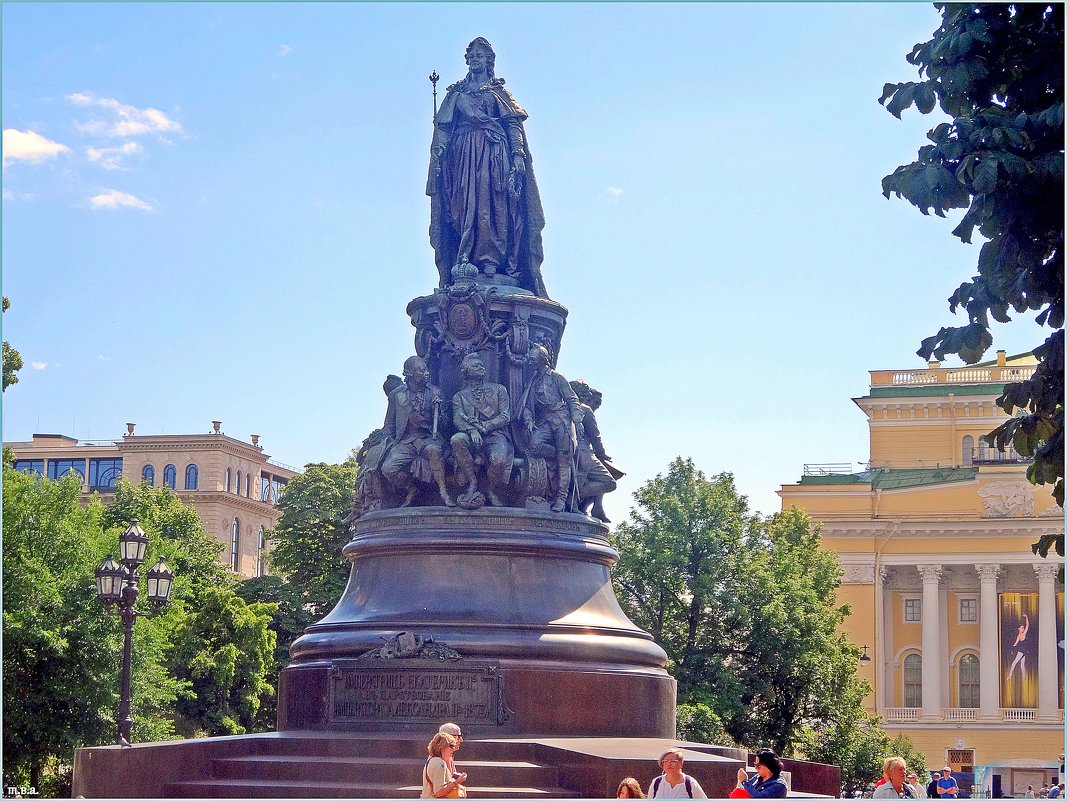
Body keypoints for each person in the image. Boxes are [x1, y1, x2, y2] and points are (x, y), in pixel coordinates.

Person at [427, 37, 547, 297]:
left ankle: (491, 260)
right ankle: (463, 257)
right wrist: (439, 150)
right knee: (463, 206)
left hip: (493, 154)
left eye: (481, 55)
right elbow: (444, 128)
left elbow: (513, 124)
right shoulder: (456, 94)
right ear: (467, 61)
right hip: (462, 157)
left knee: (494, 206)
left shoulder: (498, 92)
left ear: (489, 61)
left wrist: (517, 155)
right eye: (472, 55)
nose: (476, 59)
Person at [381, 355, 455, 508]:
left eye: (427, 369)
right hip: (406, 440)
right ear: (409, 374)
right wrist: (383, 443)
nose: (427, 373)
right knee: (387, 468)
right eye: (421, 371)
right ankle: (411, 489)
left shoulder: (435, 392)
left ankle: (443, 492)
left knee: (434, 450)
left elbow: (447, 425)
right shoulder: (397, 395)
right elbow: (389, 424)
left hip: (428, 437)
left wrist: (439, 410)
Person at [519, 344, 583, 512]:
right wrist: (529, 419)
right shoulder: (533, 380)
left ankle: (561, 499)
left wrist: (577, 420)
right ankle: (560, 455)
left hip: (561, 419)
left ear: (543, 359)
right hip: (544, 420)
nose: (530, 361)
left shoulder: (556, 377)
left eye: (533, 359)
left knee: (564, 460)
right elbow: (526, 405)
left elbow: (572, 399)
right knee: (534, 444)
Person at [451, 352, 514, 507]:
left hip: (496, 435)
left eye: (481, 364)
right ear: (466, 371)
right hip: (472, 436)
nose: (481, 367)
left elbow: (505, 416)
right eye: (475, 365)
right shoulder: (460, 396)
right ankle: (472, 482)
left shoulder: (499, 390)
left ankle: (491, 489)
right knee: (456, 439)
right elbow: (458, 420)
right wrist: (472, 430)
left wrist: (486, 425)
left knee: (498, 459)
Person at [569, 380, 622, 522]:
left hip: (568, 451)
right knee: (609, 482)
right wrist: (601, 453)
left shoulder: (561, 408)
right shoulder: (585, 409)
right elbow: (595, 436)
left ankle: (586, 504)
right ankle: (573, 497)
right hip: (584, 452)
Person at [421, 732, 467, 798]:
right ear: (442, 747)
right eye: (451, 746)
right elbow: (438, 792)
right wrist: (456, 782)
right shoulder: (440, 763)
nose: (453, 749)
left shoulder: (432, 760)